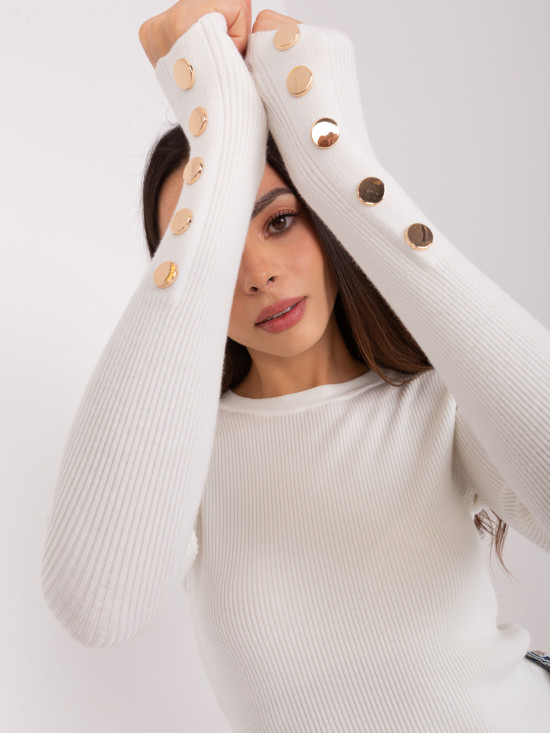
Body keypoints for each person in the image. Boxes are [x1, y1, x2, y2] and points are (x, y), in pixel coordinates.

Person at [41, 1, 550, 730]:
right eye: (221, 249)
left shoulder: (439, 402)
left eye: (281, 220)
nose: (259, 275)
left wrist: (333, 151)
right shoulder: (178, 454)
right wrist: (222, 135)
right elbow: (96, 605)